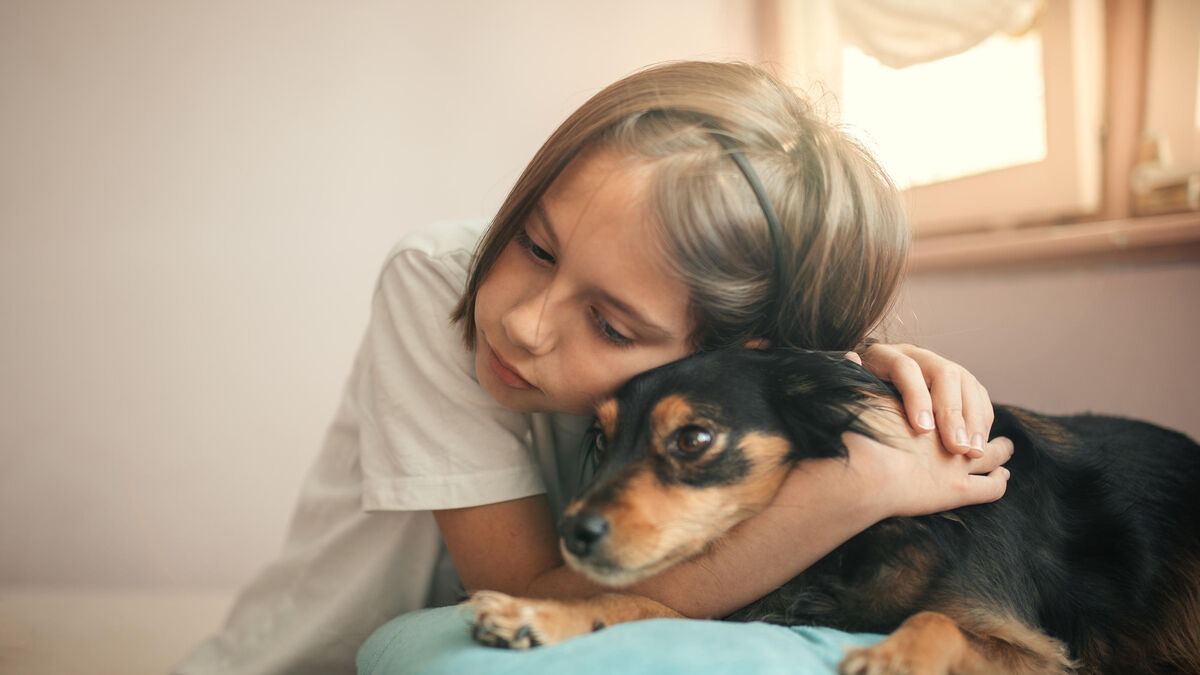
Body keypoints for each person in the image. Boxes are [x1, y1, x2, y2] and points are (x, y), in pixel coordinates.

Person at [175, 61, 1011, 675]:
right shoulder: (433, 283)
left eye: (609, 323)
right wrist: (858, 487)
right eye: (536, 245)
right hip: (311, 655)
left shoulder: (748, 387)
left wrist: (876, 388)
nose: (522, 320)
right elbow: (529, 593)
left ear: (732, 359)